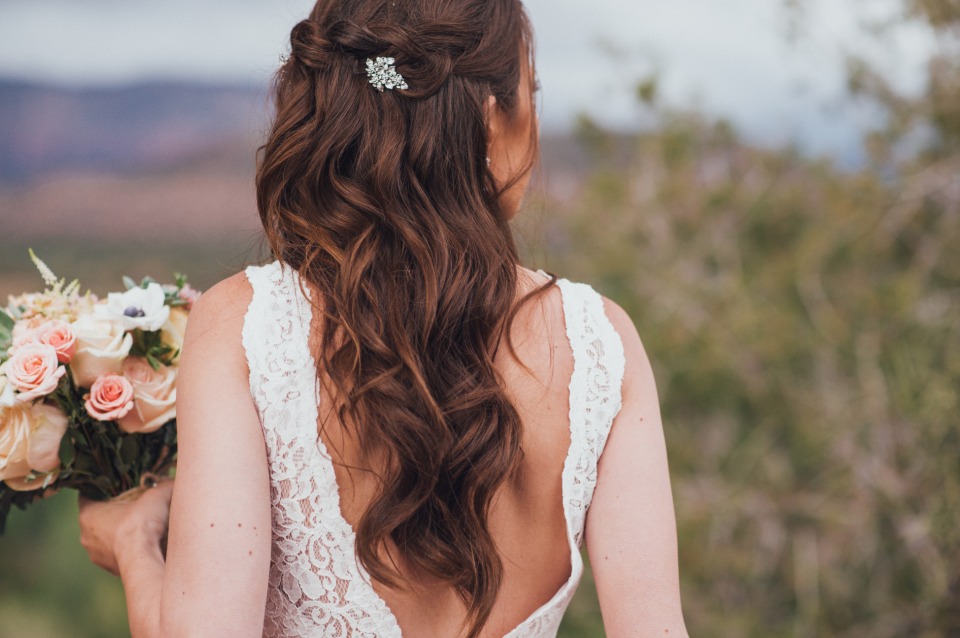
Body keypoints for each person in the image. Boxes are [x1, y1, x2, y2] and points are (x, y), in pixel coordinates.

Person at [76, 1, 689, 636]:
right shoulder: (600, 345)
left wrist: (133, 544)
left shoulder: (244, 329)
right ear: (487, 120)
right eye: (529, 92)